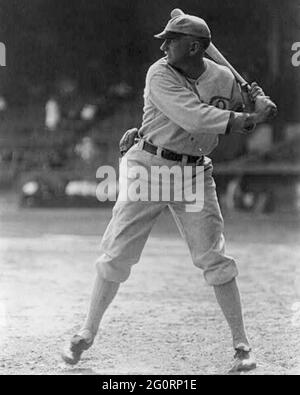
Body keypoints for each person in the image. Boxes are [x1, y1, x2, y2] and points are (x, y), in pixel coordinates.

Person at [62, 11, 275, 373]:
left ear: (193, 47)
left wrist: (254, 103)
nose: (163, 46)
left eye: (171, 40)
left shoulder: (223, 78)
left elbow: (236, 114)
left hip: (192, 174)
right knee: (117, 255)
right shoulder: (159, 72)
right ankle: (86, 332)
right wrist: (250, 118)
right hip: (149, 168)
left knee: (215, 259)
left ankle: (242, 344)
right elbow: (194, 116)